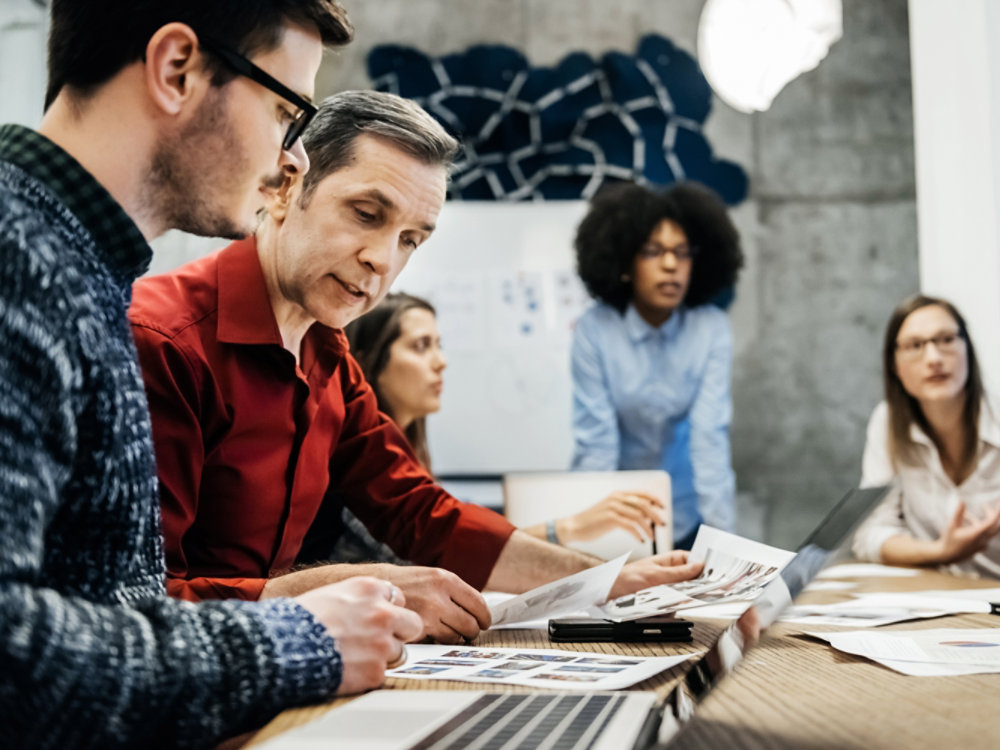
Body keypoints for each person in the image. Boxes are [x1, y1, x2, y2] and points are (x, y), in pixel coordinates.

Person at [130, 91, 704, 646]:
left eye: (410, 239)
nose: (382, 260)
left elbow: (424, 515)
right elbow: (137, 607)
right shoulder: (163, 342)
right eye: (365, 214)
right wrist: (339, 587)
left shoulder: (327, 353)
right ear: (285, 187)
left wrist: (611, 582)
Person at [0, 3, 426, 749]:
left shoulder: (79, 270)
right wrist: (294, 639)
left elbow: (114, 608)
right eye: (285, 111)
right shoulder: (18, 264)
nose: (293, 160)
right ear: (177, 70)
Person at [298, 292, 669, 566]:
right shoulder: (353, 462)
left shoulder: (411, 453)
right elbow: (426, 561)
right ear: (365, 361)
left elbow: (448, 534)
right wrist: (567, 530)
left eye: (439, 346)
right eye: (421, 346)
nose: (441, 362)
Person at [571, 181, 744, 550]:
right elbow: (596, 445)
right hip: (616, 518)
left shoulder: (711, 329)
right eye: (653, 251)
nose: (670, 265)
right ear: (624, 263)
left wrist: (726, 548)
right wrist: (581, 544)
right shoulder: (594, 330)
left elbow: (709, 436)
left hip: (686, 515)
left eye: (682, 253)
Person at [853, 295, 1000, 578]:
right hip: (935, 599)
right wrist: (941, 552)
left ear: (967, 348)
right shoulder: (887, 422)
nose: (933, 359)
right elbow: (870, 533)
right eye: (915, 346)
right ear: (895, 365)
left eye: (945, 340)